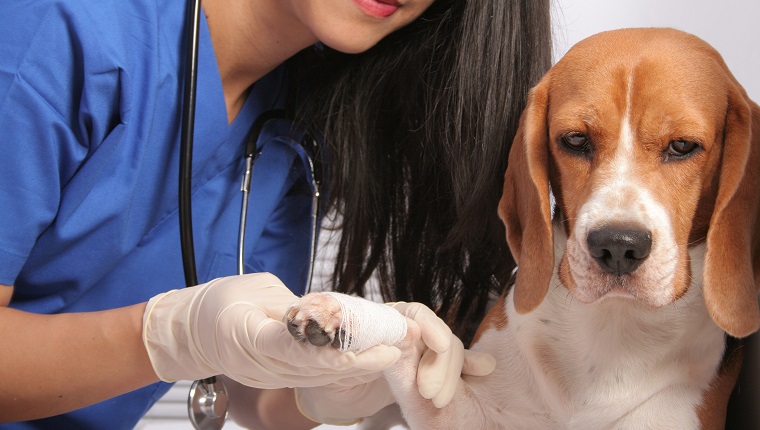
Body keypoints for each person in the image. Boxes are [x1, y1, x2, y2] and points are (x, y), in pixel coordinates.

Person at [0, 0, 551, 428]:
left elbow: (252, 392)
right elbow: (203, 339)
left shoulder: (301, 118)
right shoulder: (58, 30)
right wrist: (174, 335)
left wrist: (356, 376)